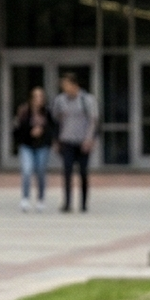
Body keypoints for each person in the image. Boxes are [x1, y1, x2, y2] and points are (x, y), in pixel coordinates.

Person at [51, 71, 98, 213]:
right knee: (67, 172)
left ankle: (83, 203)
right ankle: (67, 203)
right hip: (67, 141)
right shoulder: (60, 100)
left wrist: (89, 139)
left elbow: (93, 121)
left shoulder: (87, 100)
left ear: (74, 85)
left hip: (83, 142)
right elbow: (55, 120)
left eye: (66, 85)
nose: (64, 88)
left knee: (83, 172)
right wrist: (56, 139)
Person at [12, 83, 55, 211]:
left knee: (41, 171)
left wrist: (43, 131)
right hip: (27, 145)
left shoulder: (47, 112)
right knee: (27, 170)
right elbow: (17, 129)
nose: (38, 99)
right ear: (31, 98)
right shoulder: (24, 111)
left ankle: (41, 199)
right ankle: (25, 198)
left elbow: (52, 128)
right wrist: (31, 130)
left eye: (41, 96)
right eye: (36, 96)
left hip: (42, 146)